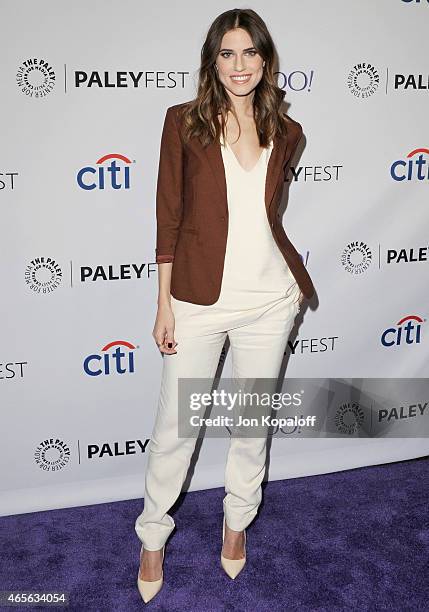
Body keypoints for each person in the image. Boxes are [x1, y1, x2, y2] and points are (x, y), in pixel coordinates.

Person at [134, 8, 315, 603]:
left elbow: (266, 216)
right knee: (173, 429)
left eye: (251, 53)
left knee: (251, 425)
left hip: (270, 300)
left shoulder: (288, 133)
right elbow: (170, 215)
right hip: (197, 300)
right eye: (228, 54)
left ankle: (237, 525)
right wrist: (163, 305)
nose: (240, 66)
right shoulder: (182, 122)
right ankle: (153, 535)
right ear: (213, 61)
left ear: (266, 60)